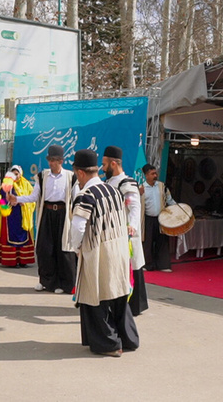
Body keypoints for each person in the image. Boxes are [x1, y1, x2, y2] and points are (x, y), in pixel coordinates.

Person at [71, 149, 139, 357]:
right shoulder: (114, 191)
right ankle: (128, 339)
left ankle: (110, 343)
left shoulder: (86, 195)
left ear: (81, 173)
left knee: (95, 298)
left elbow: (78, 228)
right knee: (118, 296)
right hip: (118, 250)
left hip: (98, 252)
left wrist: (78, 248)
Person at [8, 145, 76, 294]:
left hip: (63, 215)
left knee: (62, 249)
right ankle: (46, 281)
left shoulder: (70, 177)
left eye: (54, 160)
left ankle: (64, 283)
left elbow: (76, 197)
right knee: (45, 248)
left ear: (61, 161)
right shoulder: (42, 176)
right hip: (47, 213)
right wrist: (17, 199)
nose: (51, 163)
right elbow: (33, 196)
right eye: (49, 160)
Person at [102, 146, 148, 316]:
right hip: (112, 235)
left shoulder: (127, 183)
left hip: (126, 235)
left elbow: (135, 206)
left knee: (132, 268)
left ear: (114, 164)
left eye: (105, 164)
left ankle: (134, 306)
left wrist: (132, 226)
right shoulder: (106, 183)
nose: (103, 168)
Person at [0, 165, 36, 267]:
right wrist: (9, 203)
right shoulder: (6, 186)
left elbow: (33, 200)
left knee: (23, 237)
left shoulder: (26, 184)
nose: (15, 176)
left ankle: (23, 261)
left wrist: (24, 203)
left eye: (17, 174)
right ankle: (11, 261)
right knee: (10, 237)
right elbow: (0, 200)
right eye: (13, 174)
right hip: (10, 217)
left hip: (23, 216)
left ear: (20, 174)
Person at [140, 164, 176, 272]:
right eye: (152, 174)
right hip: (148, 219)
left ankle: (164, 265)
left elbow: (170, 200)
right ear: (146, 175)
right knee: (147, 242)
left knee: (162, 242)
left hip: (161, 219)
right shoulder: (141, 188)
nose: (155, 175)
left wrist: (178, 210)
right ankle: (147, 265)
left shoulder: (162, 187)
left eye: (155, 173)